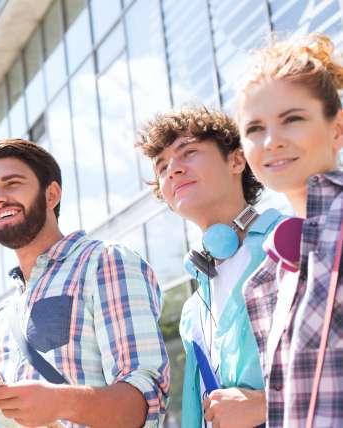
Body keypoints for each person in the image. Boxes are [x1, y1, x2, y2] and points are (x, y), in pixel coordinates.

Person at [0, 139, 169, 428]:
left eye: (12, 184)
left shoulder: (104, 263)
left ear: (51, 194)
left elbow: (144, 403)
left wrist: (61, 403)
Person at [136, 106, 282, 427]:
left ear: (236, 160)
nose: (172, 170)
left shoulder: (291, 243)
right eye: (162, 167)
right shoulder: (192, 312)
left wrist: (267, 405)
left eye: (188, 153)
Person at [237, 32, 343, 426]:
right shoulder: (269, 275)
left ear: (337, 128)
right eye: (254, 128)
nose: (271, 141)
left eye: (292, 119)